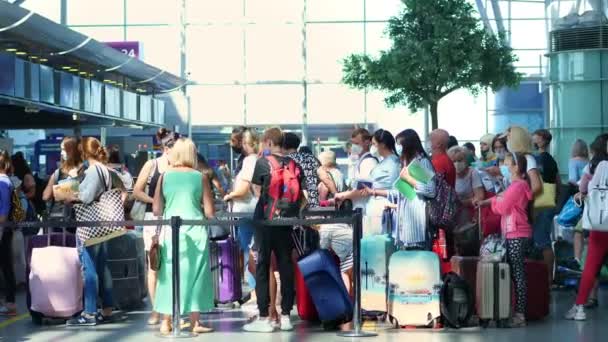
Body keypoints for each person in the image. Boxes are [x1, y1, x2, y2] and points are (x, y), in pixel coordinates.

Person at [244, 127, 306, 333]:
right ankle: (287, 315)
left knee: (263, 265)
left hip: (265, 221)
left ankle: (265, 317)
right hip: (286, 222)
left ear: (269, 142)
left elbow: (257, 191)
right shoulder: (294, 163)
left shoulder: (263, 162)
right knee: (286, 264)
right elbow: (302, 196)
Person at [152, 138, 215, 335]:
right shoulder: (200, 177)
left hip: (171, 231)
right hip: (195, 231)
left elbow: (156, 209)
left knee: (168, 274)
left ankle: (166, 321)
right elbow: (210, 212)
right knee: (196, 275)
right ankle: (195, 322)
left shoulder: (164, 176)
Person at [66, 137, 122, 326]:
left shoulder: (92, 171)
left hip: (90, 227)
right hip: (103, 225)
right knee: (102, 267)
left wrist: (72, 185)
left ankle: (89, 312)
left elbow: (86, 197)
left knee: (89, 268)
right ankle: (107, 307)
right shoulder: (106, 170)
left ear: (84, 152)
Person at [475, 152, 533, 328]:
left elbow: (502, 206)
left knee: (517, 274)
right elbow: (501, 197)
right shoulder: (515, 185)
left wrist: (491, 203)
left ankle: (520, 314)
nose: (503, 167)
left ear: (516, 167)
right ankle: (514, 311)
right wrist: (485, 202)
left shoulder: (518, 186)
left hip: (516, 233)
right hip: (513, 232)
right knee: (515, 273)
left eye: (506, 164)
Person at [132, 128, 177, 326]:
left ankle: (169, 308)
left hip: (173, 218)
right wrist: (156, 201)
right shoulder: (152, 165)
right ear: (166, 149)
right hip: (153, 217)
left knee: (172, 264)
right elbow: (136, 191)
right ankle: (156, 309)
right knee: (154, 265)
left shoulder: (180, 166)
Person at [565, 134, 608, 315]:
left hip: (601, 223)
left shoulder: (598, 165)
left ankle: (580, 307)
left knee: (590, 266)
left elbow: (583, 188)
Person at [334, 129, 401, 235]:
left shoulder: (390, 163)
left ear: (382, 144)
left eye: (374, 144)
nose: (372, 147)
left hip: (380, 210)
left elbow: (365, 189)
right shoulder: (382, 163)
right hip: (374, 210)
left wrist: (343, 195)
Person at [223, 129, 260, 296]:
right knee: (254, 250)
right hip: (256, 210)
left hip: (247, 212)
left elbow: (243, 190)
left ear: (246, 143)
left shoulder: (249, 161)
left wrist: (229, 195)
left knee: (249, 252)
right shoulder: (260, 159)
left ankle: (254, 292)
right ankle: (258, 291)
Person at [390, 129, 436, 248]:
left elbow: (431, 190)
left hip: (417, 229)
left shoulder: (422, 162)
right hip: (405, 226)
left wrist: (408, 179)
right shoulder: (407, 163)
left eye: (400, 144)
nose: (398, 148)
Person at [531, 129, 561, 283]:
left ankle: (548, 278)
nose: (532, 139)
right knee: (543, 239)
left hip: (539, 204)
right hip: (549, 203)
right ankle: (549, 277)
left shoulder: (538, 160)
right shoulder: (551, 159)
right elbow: (558, 183)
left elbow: (536, 183)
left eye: (535, 137)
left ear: (542, 140)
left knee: (542, 241)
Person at [567, 139, 590, 271]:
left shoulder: (573, 161)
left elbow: (573, 180)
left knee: (578, 229)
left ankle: (577, 260)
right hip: (591, 197)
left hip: (579, 195)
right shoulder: (589, 162)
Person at [0, 150, 17, 316]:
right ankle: (9, 302)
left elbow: (4, 208)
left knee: (5, 265)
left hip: (2, 228)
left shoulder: (2, 182)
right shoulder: (7, 181)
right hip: (5, 228)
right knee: (5, 264)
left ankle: (10, 302)